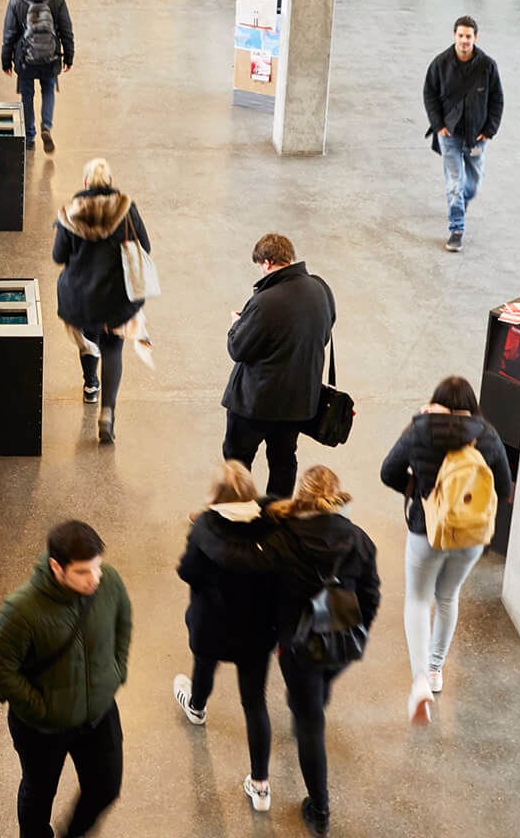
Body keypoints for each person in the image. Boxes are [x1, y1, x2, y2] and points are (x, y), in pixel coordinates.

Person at [0, 520, 131, 838]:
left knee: (106, 786)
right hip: (43, 726)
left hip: (97, 712)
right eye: (82, 572)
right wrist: (40, 707)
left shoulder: (109, 582)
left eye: (97, 568)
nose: (94, 579)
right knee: (39, 792)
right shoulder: (21, 610)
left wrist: (116, 672)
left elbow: (123, 620)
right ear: (56, 567)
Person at [380, 376, 513, 725]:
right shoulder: (486, 434)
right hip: (469, 536)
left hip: (427, 531)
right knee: (448, 597)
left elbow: (388, 472)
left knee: (418, 600)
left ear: (434, 402)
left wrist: (421, 491)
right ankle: (437, 669)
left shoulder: (419, 429)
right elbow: (503, 485)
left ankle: (420, 679)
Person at [268, 467, 380, 836]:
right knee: (318, 687)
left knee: (310, 721)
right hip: (342, 641)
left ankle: (319, 807)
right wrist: (356, 628)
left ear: (300, 495)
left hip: (296, 646)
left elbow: (266, 594)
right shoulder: (358, 540)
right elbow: (371, 595)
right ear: (336, 496)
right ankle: (316, 693)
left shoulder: (281, 537)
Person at [172, 461, 280, 815]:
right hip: (258, 629)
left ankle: (198, 706)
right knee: (254, 703)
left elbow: (188, 571)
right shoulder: (271, 525)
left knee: (204, 666)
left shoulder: (204, 527)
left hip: (212, 624)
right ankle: (261, 785)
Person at [220, 233, 334, 501]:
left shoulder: (265, 302)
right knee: (283, 460)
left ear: (268, 263)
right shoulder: (321, 290)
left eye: (260, 266)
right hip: (298, 402)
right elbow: (324, 332)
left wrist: (237, 324)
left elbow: (238, 349)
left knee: (237, 460)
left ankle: (233, 515)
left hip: (256, 403)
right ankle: (275, 517)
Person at [52, 158, 149, 444]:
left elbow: (58, 257)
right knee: (112, 348)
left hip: (81, 297)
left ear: (85, 183)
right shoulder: (126, 208)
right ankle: (107, 412)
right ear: (109, 182)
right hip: (117, 298)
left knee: (88, 339)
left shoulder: (71, 212)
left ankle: (90, 385)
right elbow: (145, 246)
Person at [422, 15, 504, 252]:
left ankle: (458, 204)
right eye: (460, 35)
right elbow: (429, 94)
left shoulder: (487, 66)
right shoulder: (440, 64)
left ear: (475, 38)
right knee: (455, 184)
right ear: (454, 36)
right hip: (449, 135)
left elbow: (497, 99)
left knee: (473, 186)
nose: (464, 40)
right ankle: (456, 228)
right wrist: (438, 125)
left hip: (477, 137)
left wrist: (489, 130)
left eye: (468, 36)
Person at [1, 0, 75, 153]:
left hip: (25, 58)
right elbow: (66, 29)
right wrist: (69, 56)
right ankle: (46, 127)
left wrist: (5, 61)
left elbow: (9, 34)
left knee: (27, 94)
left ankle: (30, 136)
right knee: (48, 90)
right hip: (50, 56)